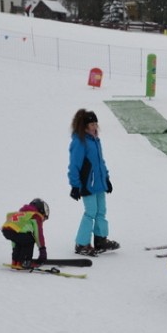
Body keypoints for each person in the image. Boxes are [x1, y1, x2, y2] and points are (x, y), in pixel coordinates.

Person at [68, 109, 119, 256]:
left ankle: (100, 239)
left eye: (96, 123)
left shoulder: (95, 140)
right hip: (87, 185)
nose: (95, 126)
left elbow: (100, 162)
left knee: (101, 211)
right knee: (90, 212)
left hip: (99, 184)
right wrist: (75, 185)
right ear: (84, 125)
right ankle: (81, 243)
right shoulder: (79, 141)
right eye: (92, 123)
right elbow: (74, 165)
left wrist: (106, 178)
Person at [1, 198, 49, 269]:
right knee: (30, 239)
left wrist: (14, 251)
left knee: (20, 240)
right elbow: (38, 234)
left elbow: (15, 236)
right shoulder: (36, 215)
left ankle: (16, 261)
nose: (43, 220)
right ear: (41, 210)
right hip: (17, 232)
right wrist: (42, 250)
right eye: (44, 217)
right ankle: (25, 262)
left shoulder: (22, 214)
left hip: (6, 230)